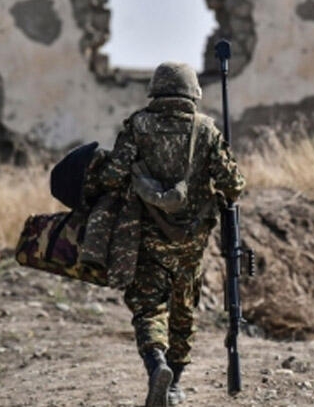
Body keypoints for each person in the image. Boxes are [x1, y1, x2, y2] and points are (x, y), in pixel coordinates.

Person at [99, 62, 245, 406]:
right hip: (191, 242)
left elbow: (111, 177)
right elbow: (234, 185)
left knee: (148, 308)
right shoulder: (206, 130)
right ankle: (175, 384)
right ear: (193, 92)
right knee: (183, 310)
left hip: (146, 239)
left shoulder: (138, 125)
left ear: (156, 90)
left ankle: (156, 366)